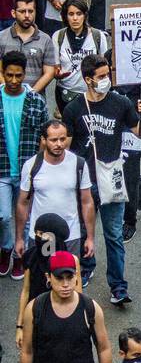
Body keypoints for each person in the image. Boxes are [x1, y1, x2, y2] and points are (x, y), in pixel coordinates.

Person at [61, 53, 137, 305]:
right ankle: (87, 265)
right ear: (87, 80)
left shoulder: (121, 103)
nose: (106, 80)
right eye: (101, 76)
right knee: (84, 232)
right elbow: (66, 147)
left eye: (108, 75)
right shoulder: (73, 108)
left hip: (112, 178)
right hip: (84, 182)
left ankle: (118, 287)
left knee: (114, 235)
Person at [14, 118, 91, 279]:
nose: (59, 144)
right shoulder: (32, 165)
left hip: (71, 236)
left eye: (62, 139)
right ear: (43, 140)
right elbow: (22, 203)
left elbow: (87, 201)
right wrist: (19, 238)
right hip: (43, 236)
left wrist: (90, 238)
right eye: (53, 140)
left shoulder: (78, 164)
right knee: (42, 279)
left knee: (69, 282)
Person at [18, 247, 108, 363]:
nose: (65, 284)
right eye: (59, 278)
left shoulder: (91, 308)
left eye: (69, 277)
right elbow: (27, 351)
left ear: (76, 276)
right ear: (48, 277)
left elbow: (103, 348)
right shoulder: (35, 308)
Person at [0, 0, 55, 92]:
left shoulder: (45, 40)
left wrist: (31, 94)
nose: (27, 15)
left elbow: (49, 72)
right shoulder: (1, 37)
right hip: (5, 99)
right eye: (22, 11)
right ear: (13, 13)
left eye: (30, 11)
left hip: (35, 101)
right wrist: (6, 90)